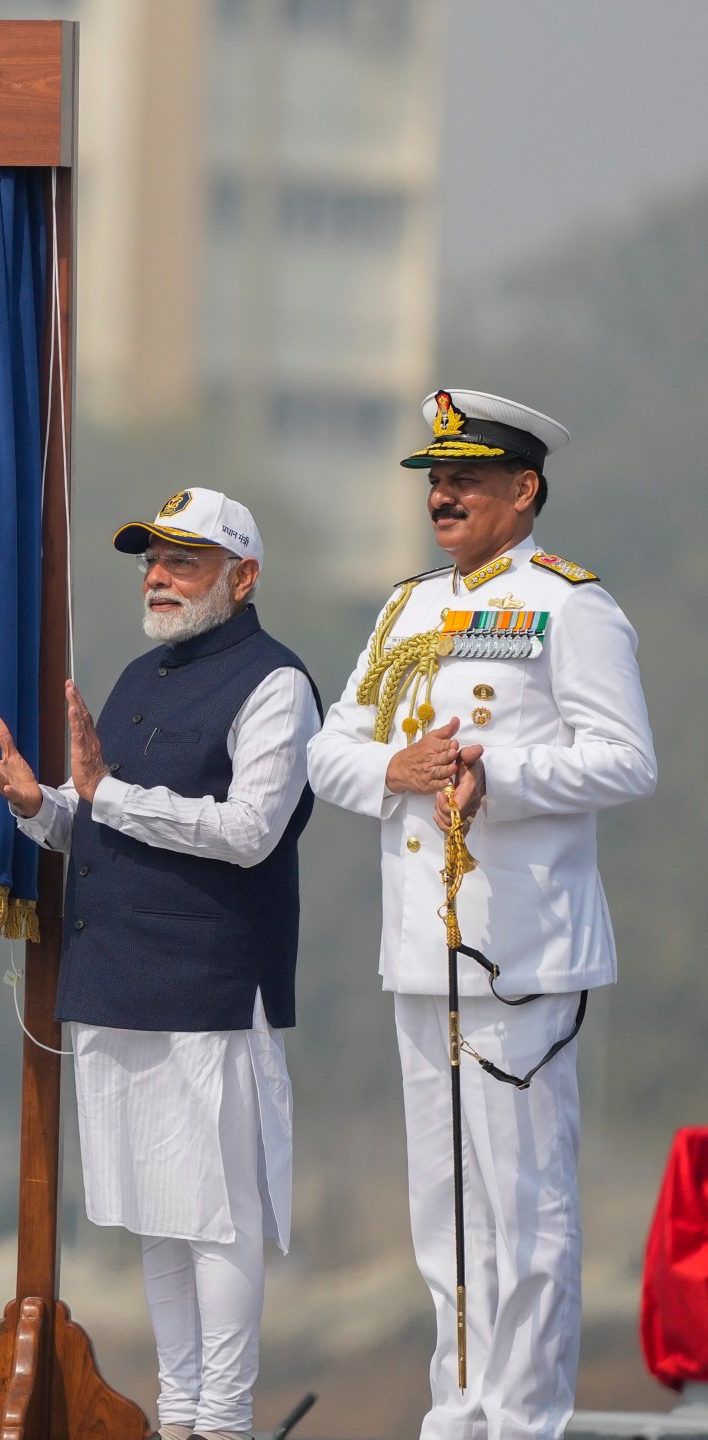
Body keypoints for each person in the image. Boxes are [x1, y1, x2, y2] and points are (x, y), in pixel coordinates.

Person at [308, 389, 655, 1440]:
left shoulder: (568, 604)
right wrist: (393, 767)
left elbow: (626, 759)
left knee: (525, 1202)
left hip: (521, 949)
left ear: (523, 490)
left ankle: (523, 1418)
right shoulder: (405, 606)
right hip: (421, 947)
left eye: (463, 479)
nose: (442, 495)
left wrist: (493, 771)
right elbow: (330, 747)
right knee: (443, 1210)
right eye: (433, 480)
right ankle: (455, 1410)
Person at [0, 488, 315, 1440]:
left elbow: (248, 832)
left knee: (221, 1218)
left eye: (184, 562)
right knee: (160, 1215)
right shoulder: (138, 676)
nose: (157, 576)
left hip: (207, 982)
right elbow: (109, 818)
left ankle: (227, 1420)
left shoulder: (276, 683)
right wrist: (41, 807)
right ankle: (182, 1411)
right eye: (151, 560)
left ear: (243, 579)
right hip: (119, 978)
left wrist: (106, 795)